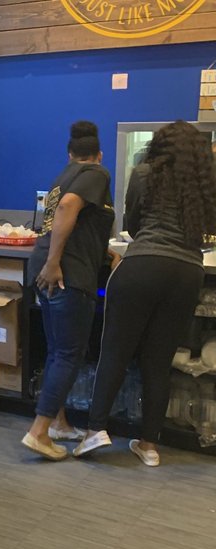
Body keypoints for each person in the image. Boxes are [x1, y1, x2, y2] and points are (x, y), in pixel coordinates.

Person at [75, 120, 216, 465]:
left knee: (116, 353)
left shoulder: (144, 173)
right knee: (159, 360)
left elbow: (133, 224)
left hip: (142, 267)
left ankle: (95, 430)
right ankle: (150, 445)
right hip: (187, 272)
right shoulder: (205, 183)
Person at [22, 121, 115, 461]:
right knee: (68, 354)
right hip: (66, 275)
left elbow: (74, 223)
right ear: (98, 155)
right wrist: (55, 262)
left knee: (55, 351)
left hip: (47, 271)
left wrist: (103, 252)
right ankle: (39, 431)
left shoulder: (62, 177)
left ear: (70, 154)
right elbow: (67, 209)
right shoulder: (97, 173)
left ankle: (58, 423)